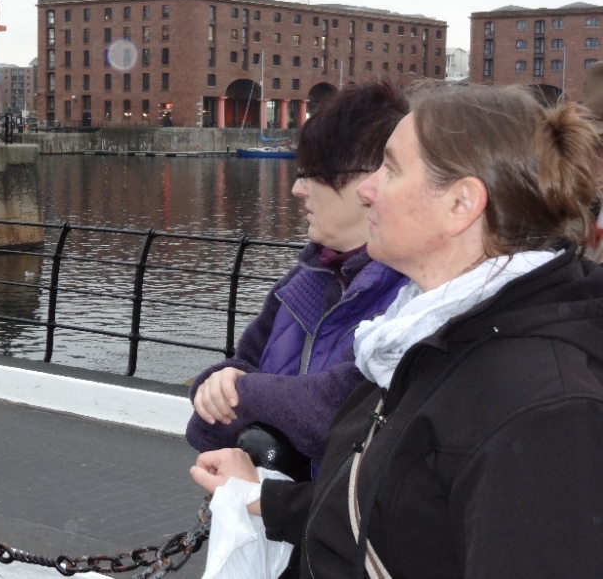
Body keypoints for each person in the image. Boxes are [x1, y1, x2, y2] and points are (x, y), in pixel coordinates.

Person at [191, 84, 603, 579]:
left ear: (461, 204)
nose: (367, 190)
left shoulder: (546, 410)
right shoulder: (415, 338)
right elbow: (396, 515)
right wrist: (266, 499)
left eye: (390, 169)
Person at [187, 81, 410, 471]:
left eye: (311, 174)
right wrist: (218, 383)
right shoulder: (302, 282)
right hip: (277, 504)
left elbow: (339, 415)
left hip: (342, 509)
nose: (296, 189)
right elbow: (219, 404)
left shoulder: (414, 295)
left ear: (371, 181)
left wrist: (241, 392)